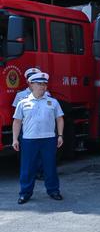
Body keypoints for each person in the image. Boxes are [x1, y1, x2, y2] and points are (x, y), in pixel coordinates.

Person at [12, 72, 64, 204]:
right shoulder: (23, 103)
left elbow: (59, 119)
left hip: (48, 139)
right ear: (31, 85)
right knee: (27, 167)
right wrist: (15, 139)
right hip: (29, 139)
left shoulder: (52, 102)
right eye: (39, 84)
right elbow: (17, 122)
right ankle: (25, 193)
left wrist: (60, 135)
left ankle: (53, 191)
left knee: (50, 166)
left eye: (44, 84)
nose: (43, 87)